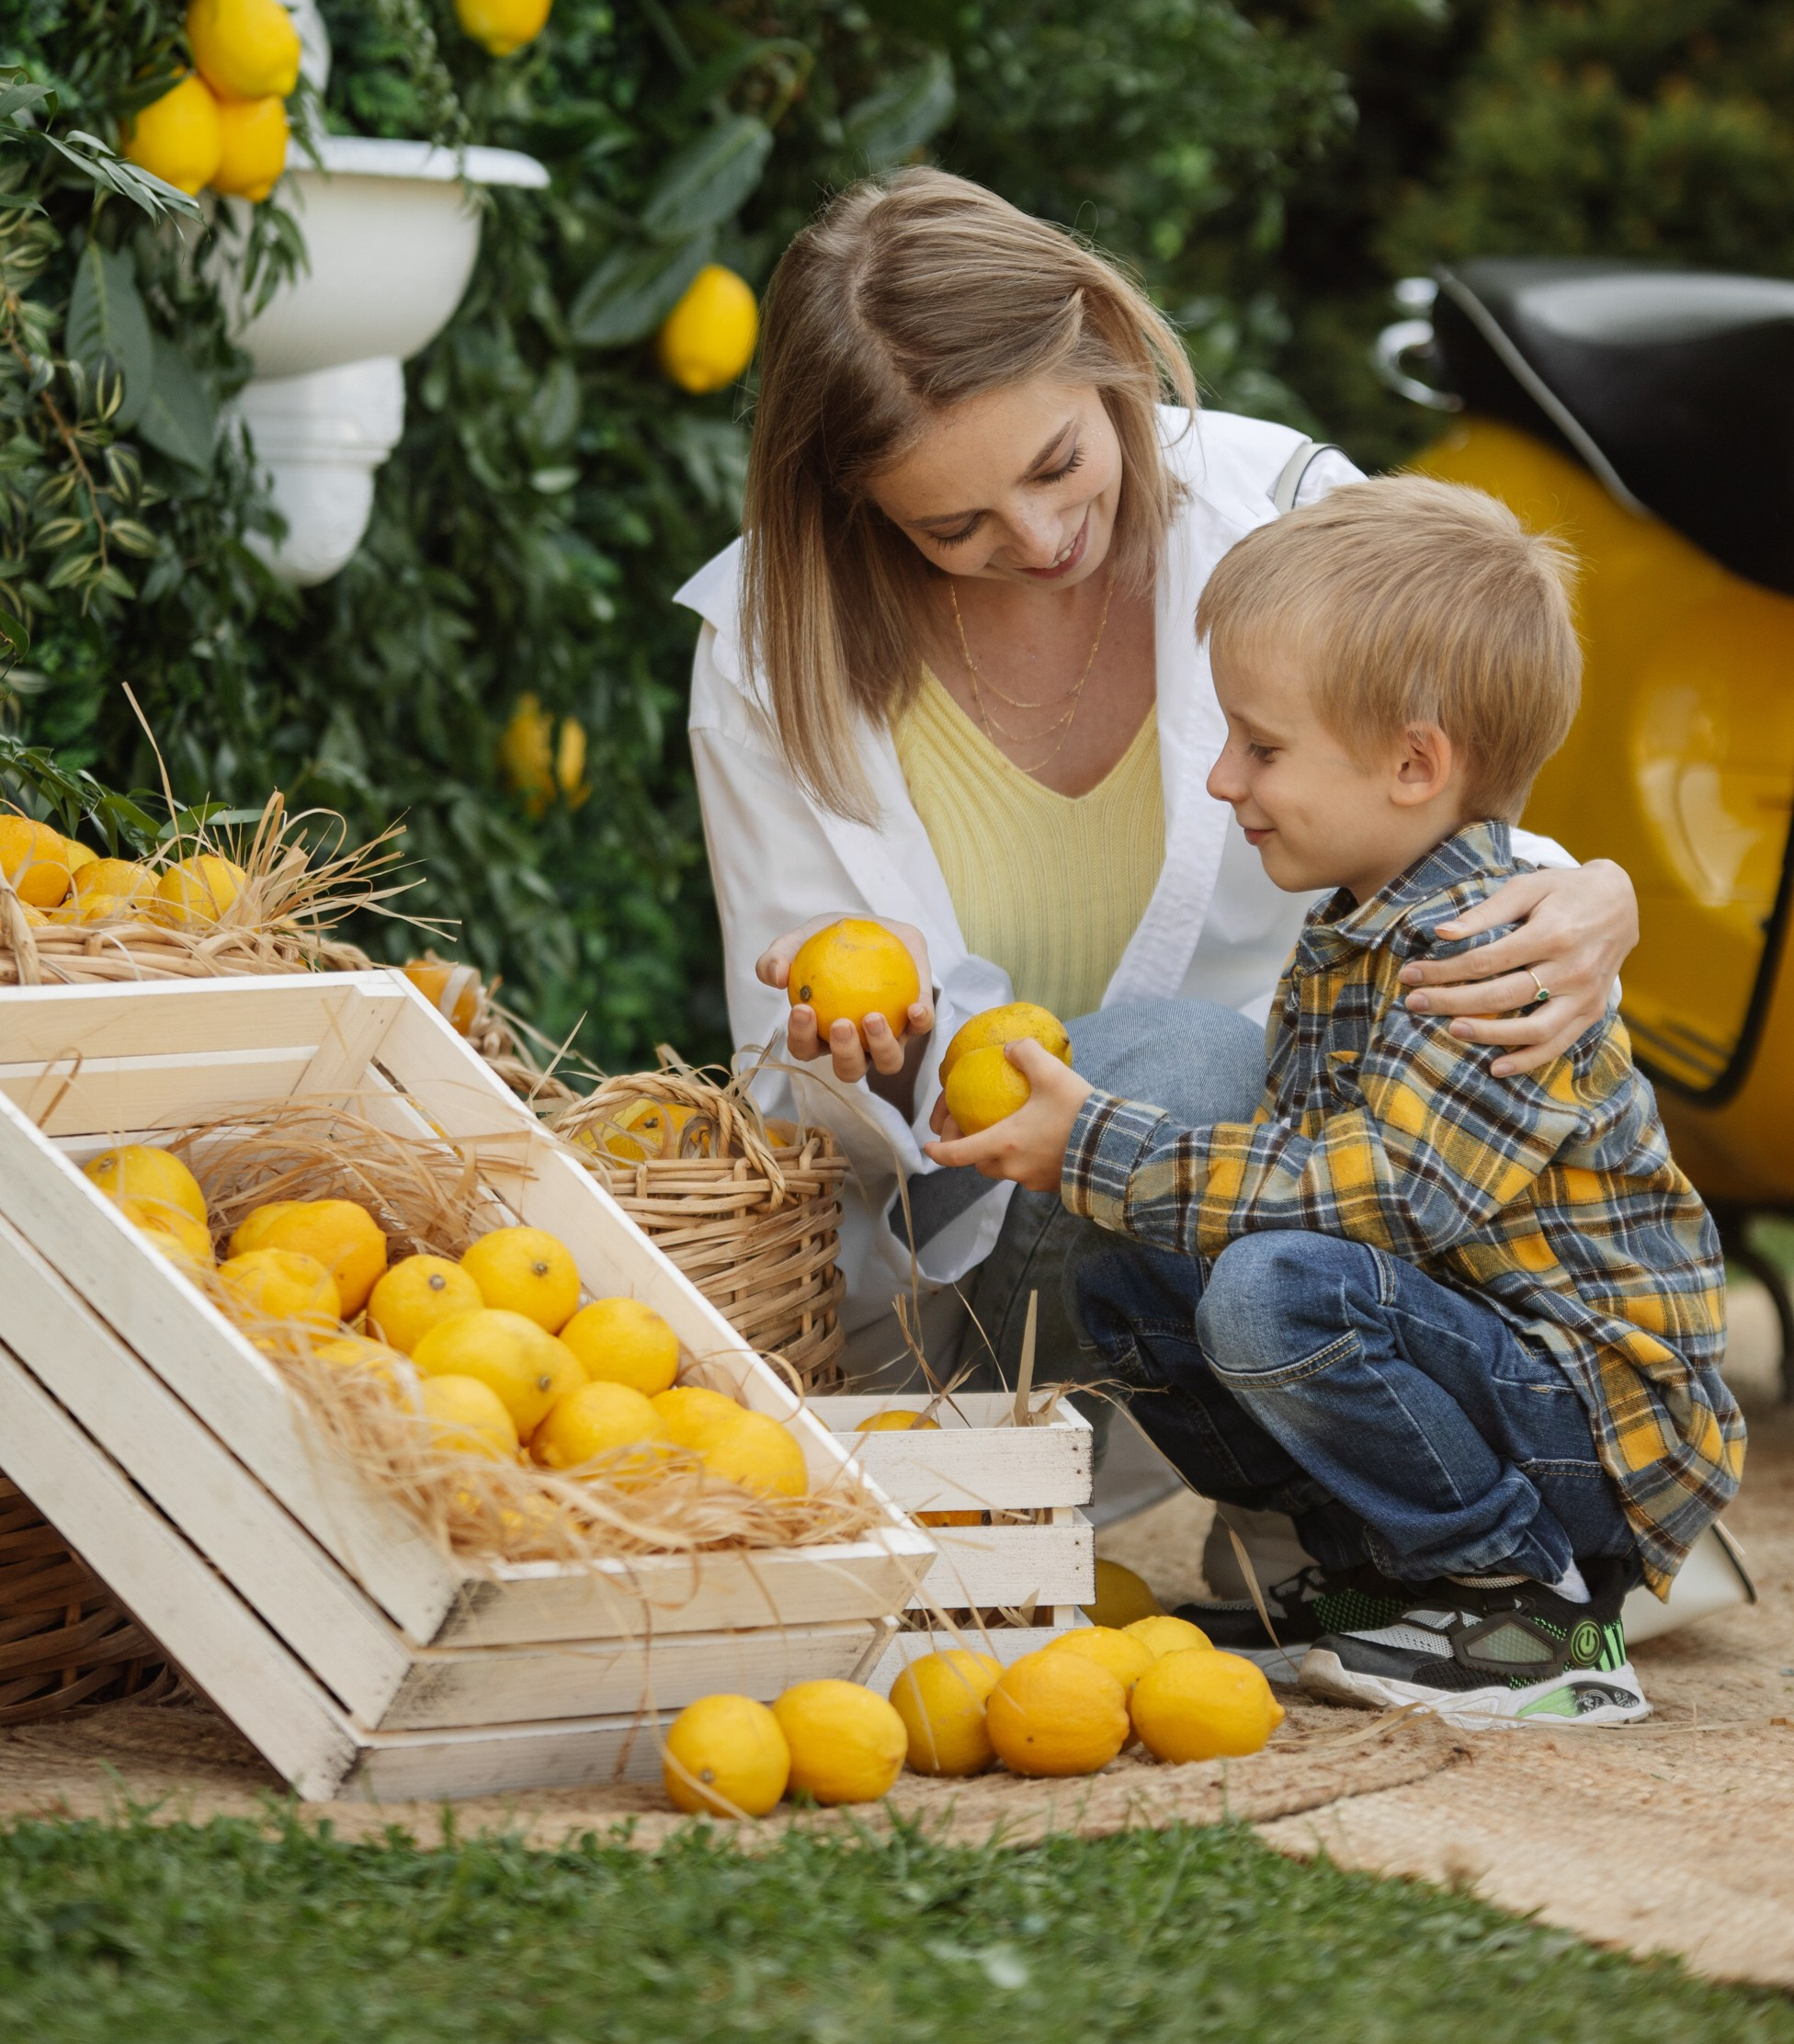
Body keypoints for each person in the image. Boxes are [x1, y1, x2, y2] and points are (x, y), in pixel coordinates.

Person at [675, 168, 1642, 1391]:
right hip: (983, 1308)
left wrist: (1581, 891)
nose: (1037, 542)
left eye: (1055, 462)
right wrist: (875, 1059)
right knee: (1159, 1067)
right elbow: (793, 1100)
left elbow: (1445, 826)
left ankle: (1504, 1478)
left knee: (1204, 1061)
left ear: (1109, 343)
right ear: (859, 506)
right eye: (951, 528)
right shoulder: (768, 646)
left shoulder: (1283, 520)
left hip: (1290, 1217)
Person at [926, 477, 1744, 1726]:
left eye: (1262, 746)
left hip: (1588, 1435)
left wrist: (1091, 1143)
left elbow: (1379, 1200)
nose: (1220, 780)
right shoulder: (1367, 926)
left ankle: (1528, 1609)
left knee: (1274, 1288)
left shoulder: (1482, 959)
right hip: (1484, 1378)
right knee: (1132, 1281)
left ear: (1415, 765)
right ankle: (1374, 1578)